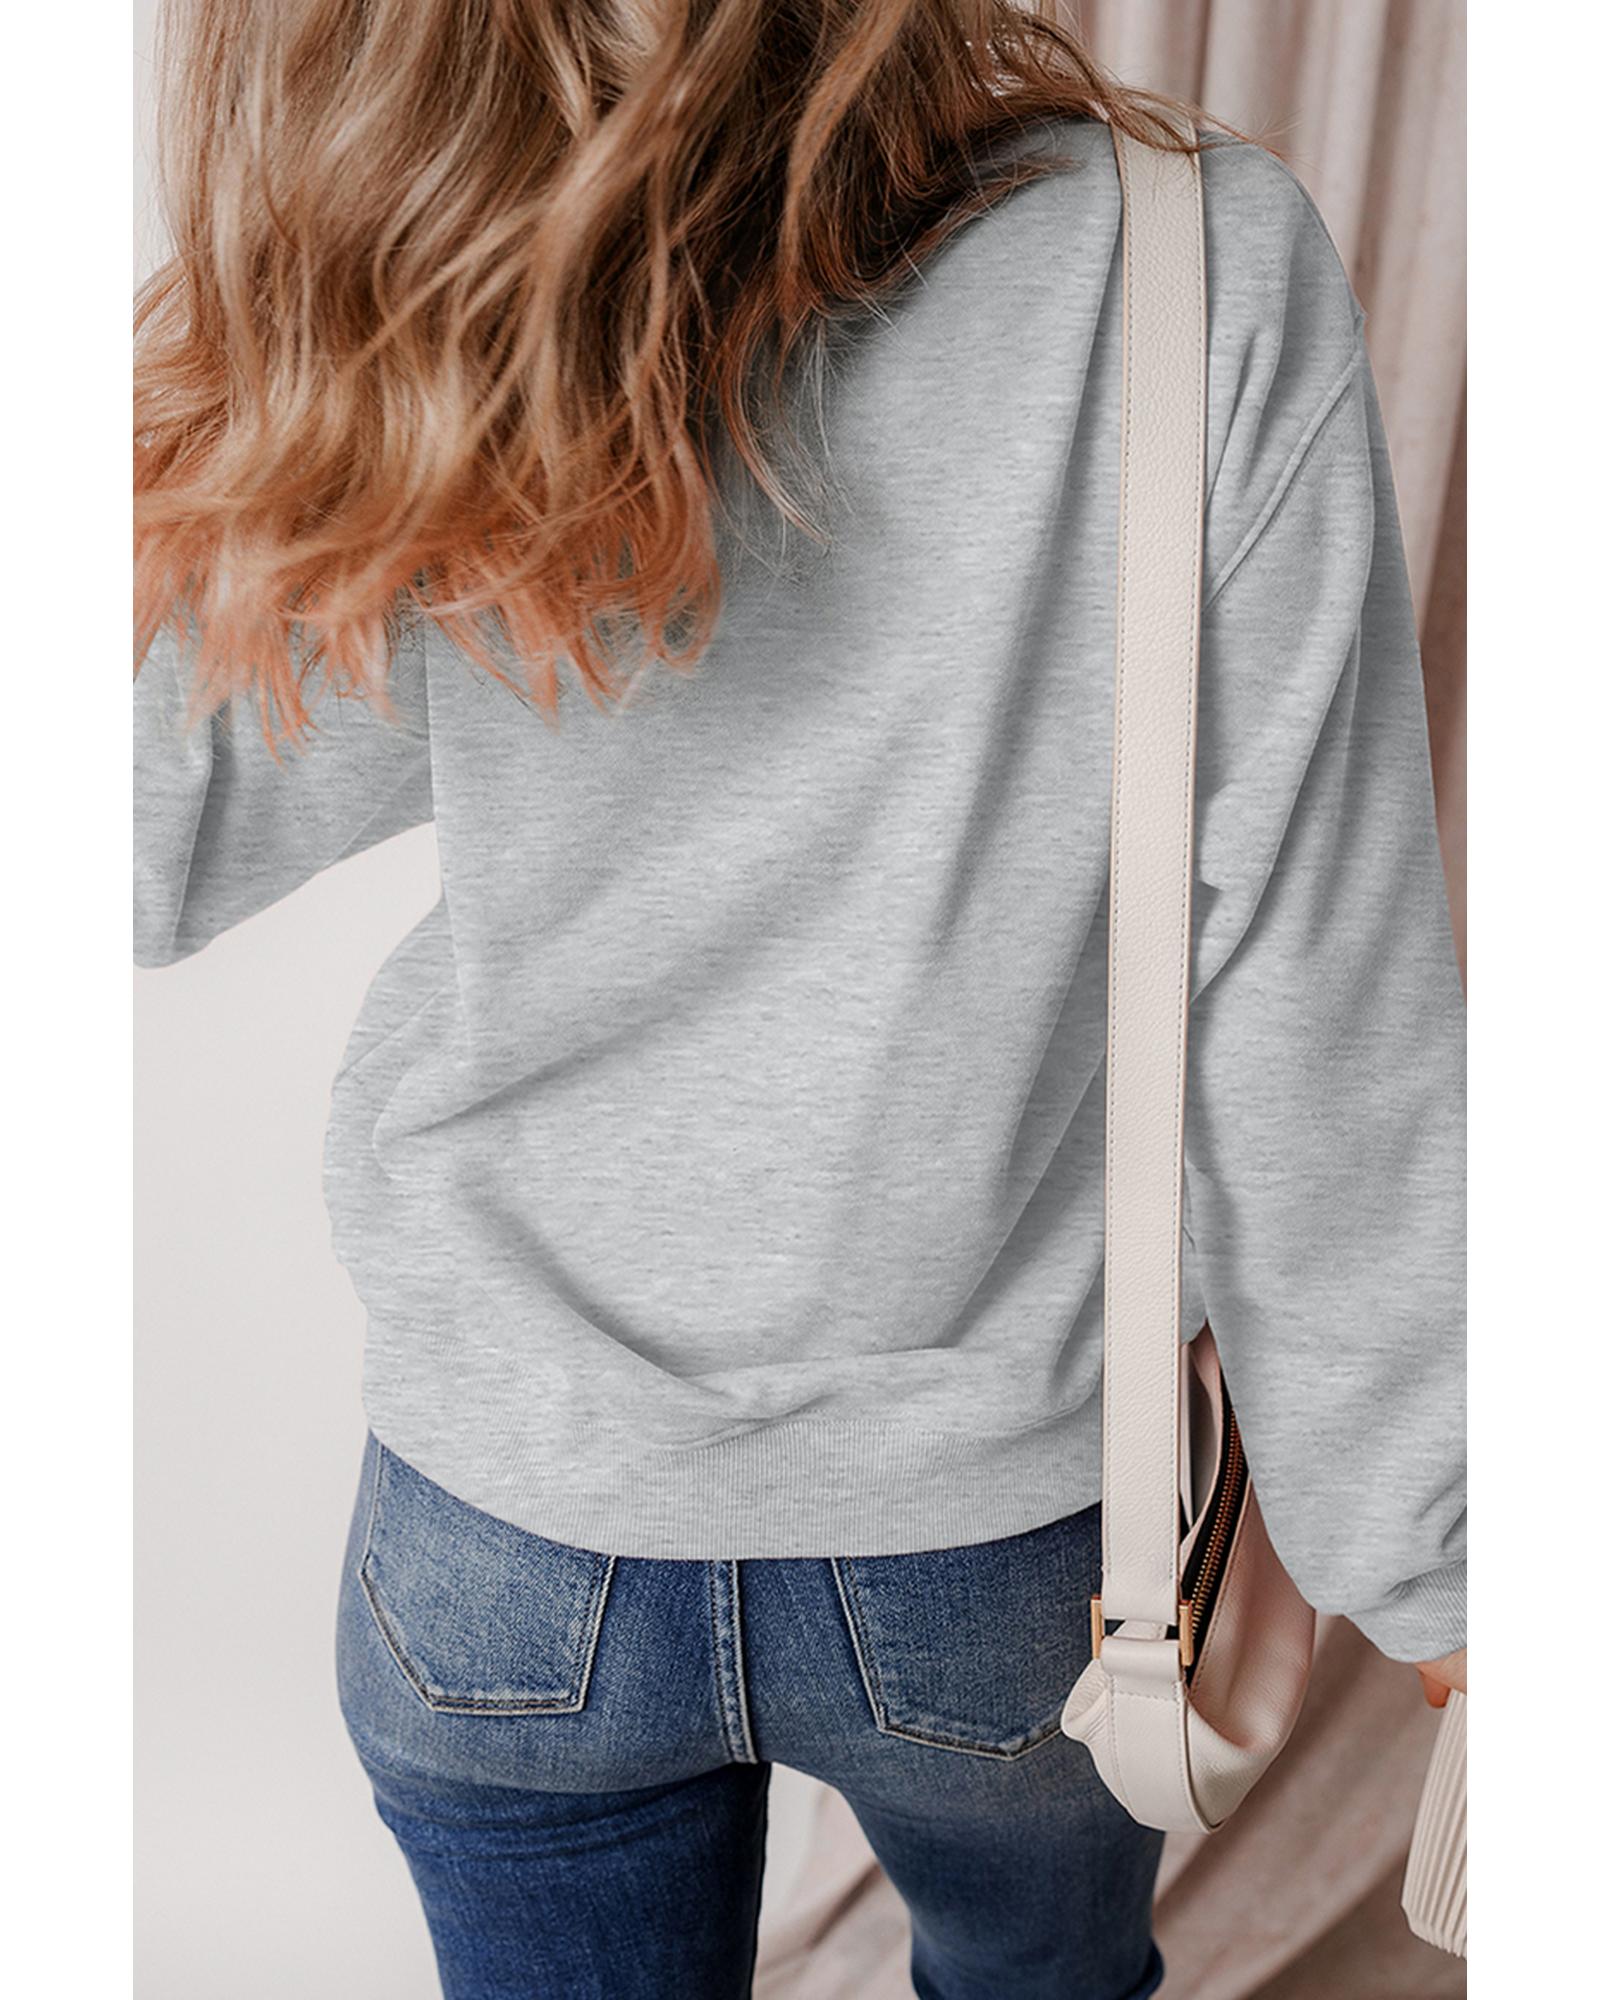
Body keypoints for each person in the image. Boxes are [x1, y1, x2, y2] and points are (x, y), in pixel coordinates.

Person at [133, 4, 1466, 1995]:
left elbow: (135, 839)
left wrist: (272, 365)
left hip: (507, 1536)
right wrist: (1454, 1568)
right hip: (1002, 1566)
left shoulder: (450, 259)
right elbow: (1319, 1031)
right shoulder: (1190, 259)